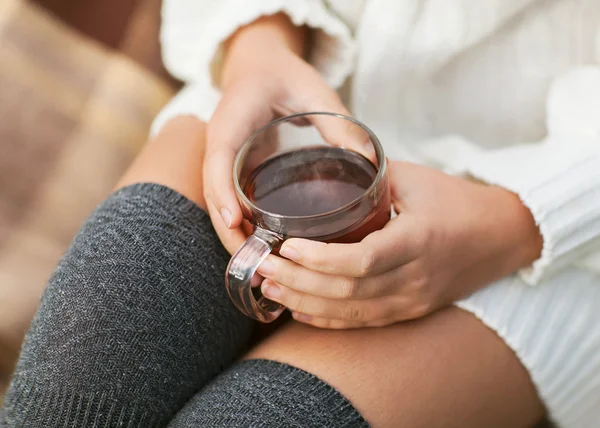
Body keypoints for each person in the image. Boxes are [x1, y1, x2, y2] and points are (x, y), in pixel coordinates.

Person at [3, 1, 600, 426]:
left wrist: (517, 221)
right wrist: (257, 43)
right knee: (72, 386)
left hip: (560, 215)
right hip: (285, 95)